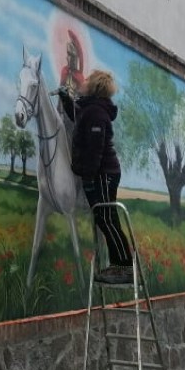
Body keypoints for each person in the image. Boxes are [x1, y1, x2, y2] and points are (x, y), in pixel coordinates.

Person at [58, 70, 133, 285]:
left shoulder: (97, 113)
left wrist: (89, 176)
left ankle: (125, 267)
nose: (84, 81)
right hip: (100, 173)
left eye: (89, 79)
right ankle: (120, 265)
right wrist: (66, 99)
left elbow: (96, 149)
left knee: (107, 218)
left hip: (103, 174)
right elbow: (77, 115)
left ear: (95, 86)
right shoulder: (90, 109)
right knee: (104, 218)